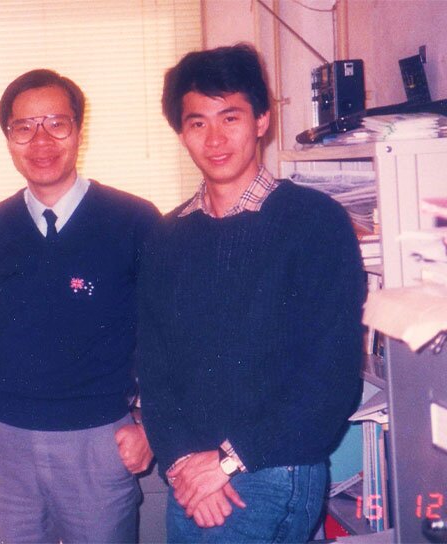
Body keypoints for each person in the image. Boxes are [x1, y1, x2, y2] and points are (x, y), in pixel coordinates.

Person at [137, 44, 367, 543]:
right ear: (181, 133)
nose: (215, 138)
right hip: (191, 475)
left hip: (273, 467)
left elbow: (331, 377)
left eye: (230, 117)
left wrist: (224, 461)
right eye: (197, 123)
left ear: (262, 120)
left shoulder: (314, 222)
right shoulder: (166, 237)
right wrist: (181, 461)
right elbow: (154, 372)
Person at [0, 69, 160, 543]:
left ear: (79, 130)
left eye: (56, 124)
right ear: (8, 139)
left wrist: (152, 424)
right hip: (5, 447)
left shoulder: (133, 220)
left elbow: (168, 338)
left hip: (99, 442)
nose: (41, 141)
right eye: (24, 127)